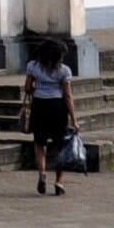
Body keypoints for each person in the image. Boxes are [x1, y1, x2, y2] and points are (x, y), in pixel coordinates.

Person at [22, 35, 79, 197]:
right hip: (57, 107)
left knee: (40, 144)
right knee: (60, 146)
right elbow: (68, 96)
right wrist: (74, 119)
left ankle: (42, 173)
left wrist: (38, 88)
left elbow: (27, 88)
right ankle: (59, 182)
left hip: (39, 106)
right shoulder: (64, 70)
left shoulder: (33, 66)